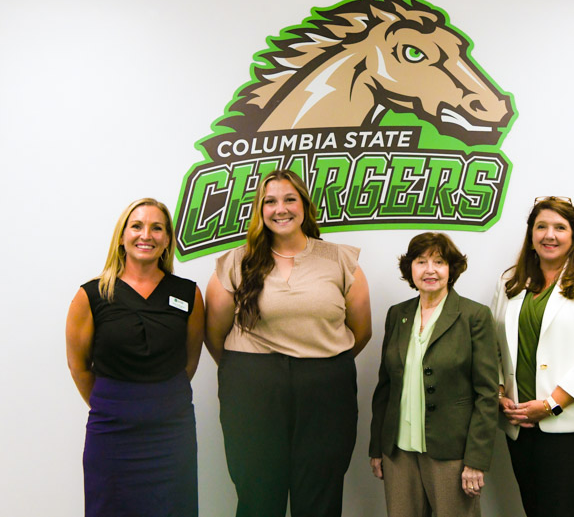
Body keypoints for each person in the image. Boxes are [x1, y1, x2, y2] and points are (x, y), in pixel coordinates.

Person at [205, 169, 372, 517]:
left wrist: (317, 361)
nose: (280, 209)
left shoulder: (339, 259)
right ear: (260, 210)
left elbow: (361, 330)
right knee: (258, 493)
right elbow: (214, 334)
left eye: (289, 199)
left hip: (326, 390)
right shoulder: (236, 262)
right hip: (253, 390)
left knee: (320, 492)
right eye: (270, 201)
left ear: (305, 206)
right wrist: (255, 372)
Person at [65, 197, 205, 517]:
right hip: (112, 432)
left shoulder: (188, 294)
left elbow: (189, 360)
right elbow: (79, 367)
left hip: (172, 431)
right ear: (122, 236)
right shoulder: (92, 295)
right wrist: (115, 403)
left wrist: (159, 399)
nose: (147, 235)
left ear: (167, 239)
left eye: (157, 228)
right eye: (137, 226)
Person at [491, 196, 574, 517]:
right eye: (541, 227)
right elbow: (492, 346)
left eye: (560, 227)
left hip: (573, 428)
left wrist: (550, 405)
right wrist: (499, 392)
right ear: (531, 235)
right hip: (520, 423)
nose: (549, 235)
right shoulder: (510, 281)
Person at [369, 232, 499, 517]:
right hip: (398, 451)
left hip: (452, 453)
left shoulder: (473, 316)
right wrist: (377, 447)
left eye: (439, 262)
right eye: (421, 261)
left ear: (451, 268)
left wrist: (476, 459)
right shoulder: (397, 314)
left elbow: (487, 394)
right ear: (410, 269)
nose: (430, 270)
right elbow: (385, 387)